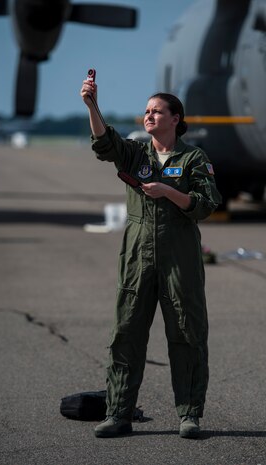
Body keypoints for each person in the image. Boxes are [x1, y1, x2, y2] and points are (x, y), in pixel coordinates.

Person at [80, 78, 222, 439]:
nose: (149, 116)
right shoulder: (137, 154)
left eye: (157, 111)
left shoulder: (193, 159)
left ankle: (189, 415)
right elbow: (104, 143)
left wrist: (168, 192)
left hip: (180, 257)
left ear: (176, 119)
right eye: (146, 111)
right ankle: (118, 414)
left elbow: (205, 206)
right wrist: (92, 105)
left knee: (187, 334)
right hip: (137, 255)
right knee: (126, 332)